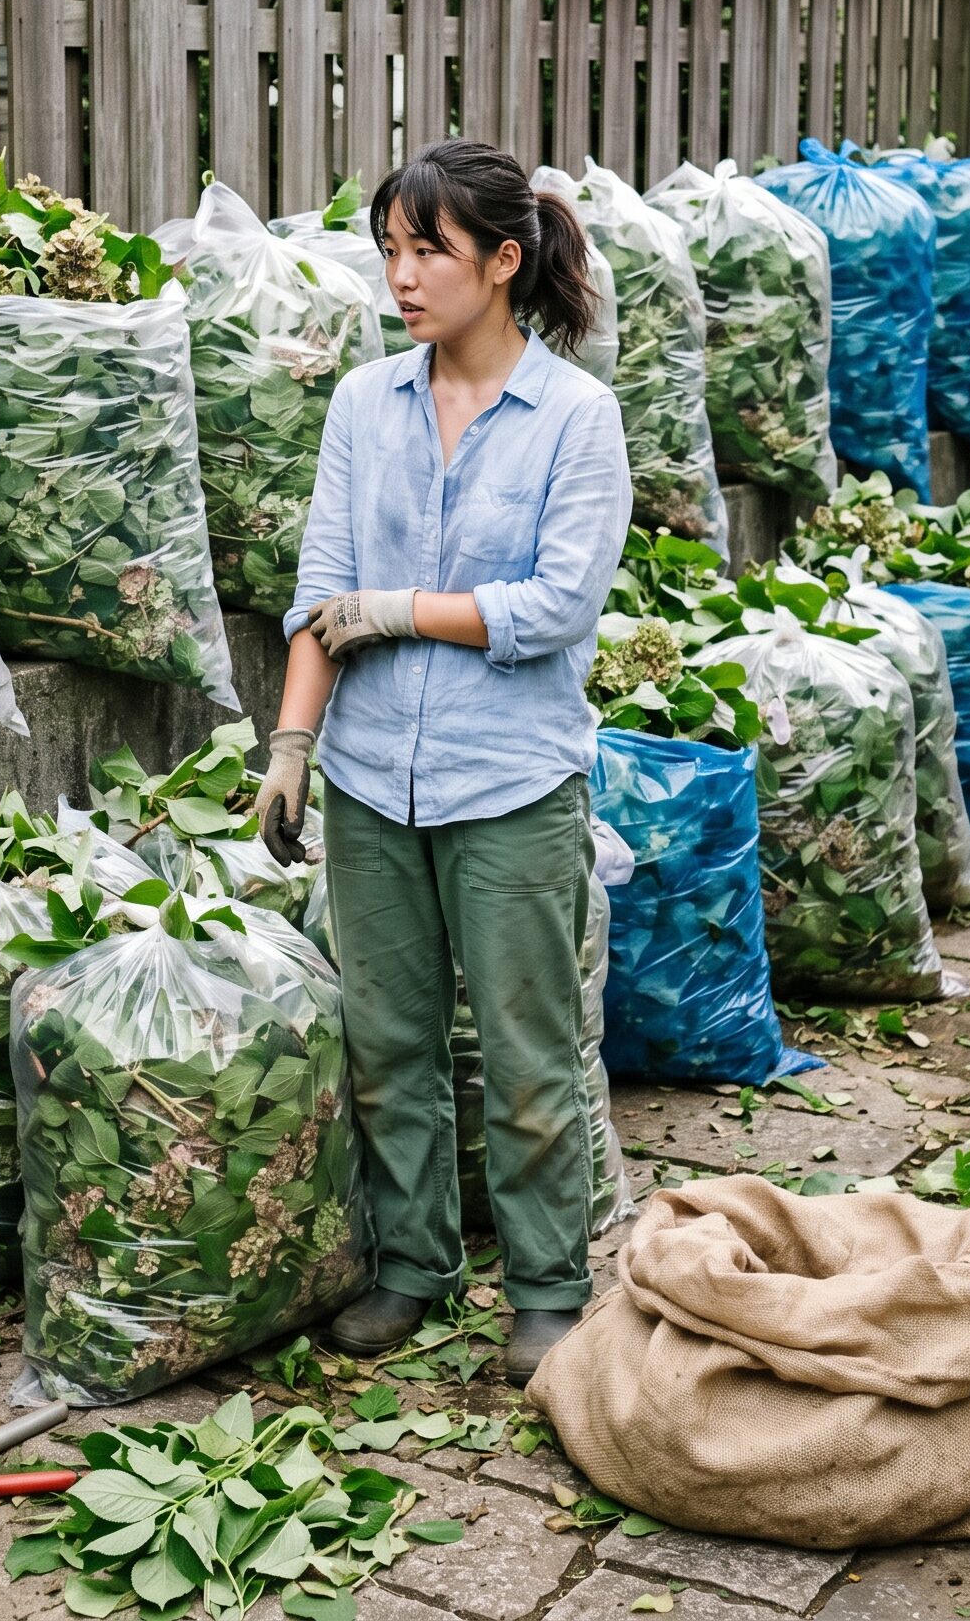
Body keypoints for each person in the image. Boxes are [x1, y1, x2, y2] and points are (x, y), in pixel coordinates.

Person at [256, 138, 632, 1388]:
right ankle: (412, 1265)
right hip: (371, 780)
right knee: (387, 1041)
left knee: (527, 1055)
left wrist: (401, 608)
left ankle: (544, 1284)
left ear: (504, 262)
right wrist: (292, 743)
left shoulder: (574, 418)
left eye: (429, 251)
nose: (400, 276)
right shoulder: (365, 403)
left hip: (510, 783)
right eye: (391, 250)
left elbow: (552, 606)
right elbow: (322, 593)